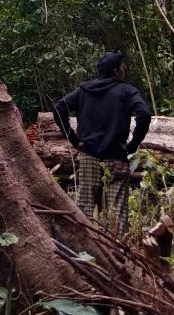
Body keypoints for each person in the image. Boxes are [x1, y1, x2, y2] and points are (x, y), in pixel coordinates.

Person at [53, 51, 152, 237]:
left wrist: (74, 140)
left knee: (85, 205)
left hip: (88, 155)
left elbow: (59, 108)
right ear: (116, 70)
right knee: (117, 211)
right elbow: (144, 114)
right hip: (116, 157)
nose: (125, 70)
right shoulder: (127, 91)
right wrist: (133, 145)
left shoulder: (84, 90)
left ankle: (85, 249)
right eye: (123, 67)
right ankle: (119, 254)